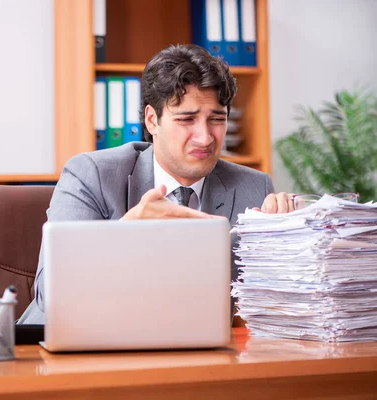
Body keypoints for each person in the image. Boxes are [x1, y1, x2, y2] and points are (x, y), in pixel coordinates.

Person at [18, 44, 292, 324]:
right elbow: (52, 292)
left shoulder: (254, 188)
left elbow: (273, 306)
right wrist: (123, 236)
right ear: (152, 120)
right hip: (81, 346)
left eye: (216, 120)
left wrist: (297, 240)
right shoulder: (91, 175)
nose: (205, 137)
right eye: (187, 119)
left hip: (201, 352)